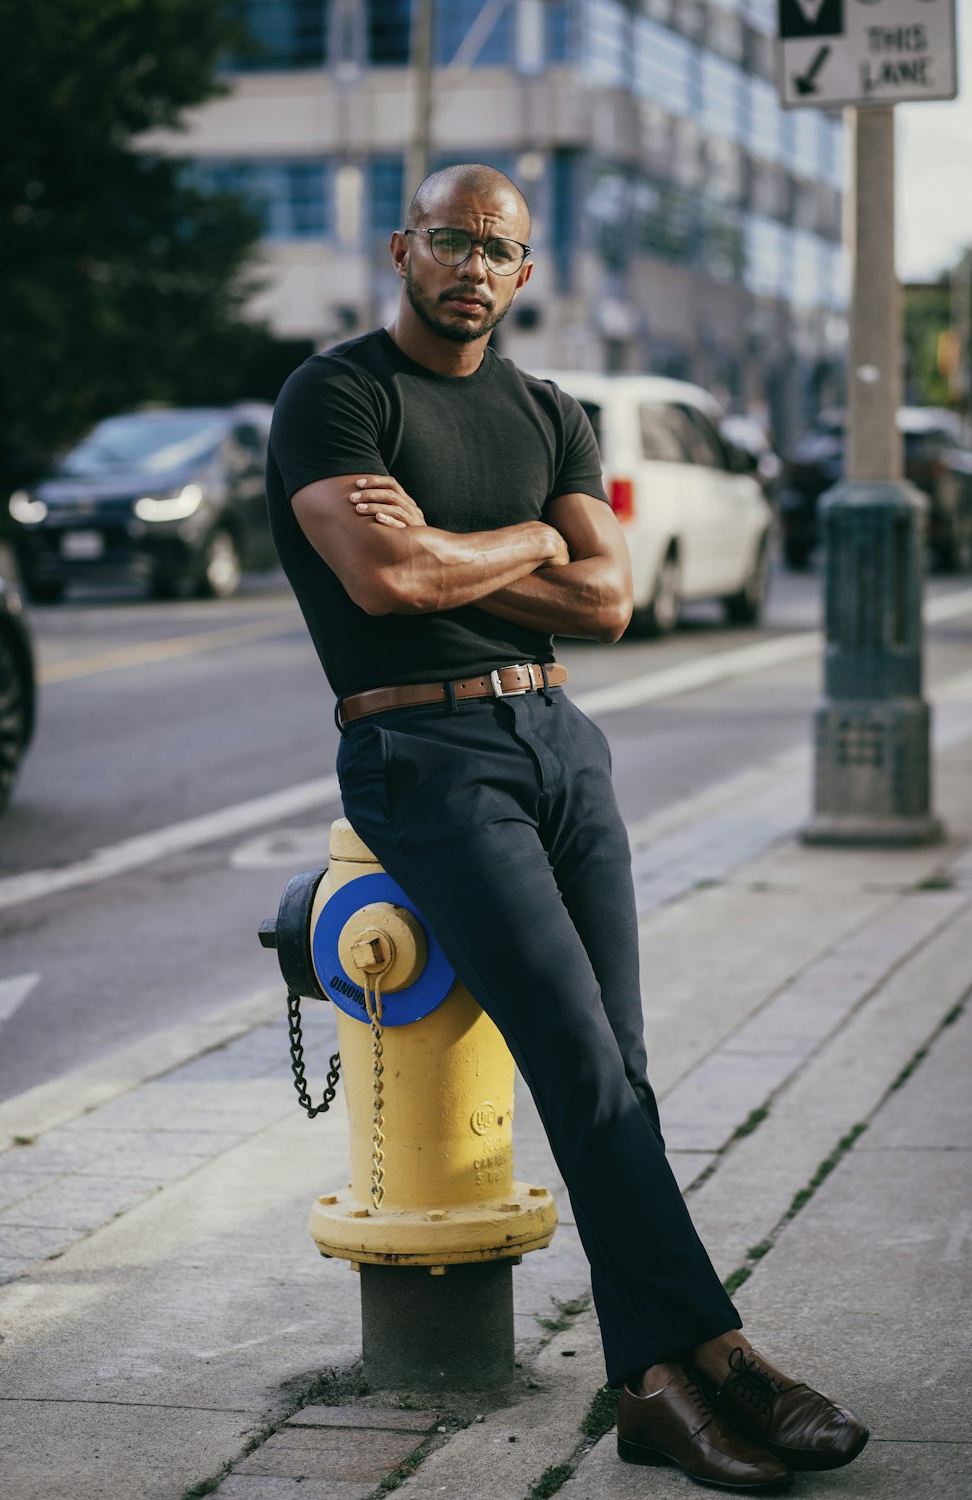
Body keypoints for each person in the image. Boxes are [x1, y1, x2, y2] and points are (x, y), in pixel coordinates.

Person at [266, 163, 868, 1492]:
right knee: (583, 1067)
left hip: (559, 743)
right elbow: (386, 575)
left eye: (499, 248)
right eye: (449, 241)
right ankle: (706, 1359)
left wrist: (476, 546)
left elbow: (609, 605)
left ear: (525, 272)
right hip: (421, 750)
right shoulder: (340, 395)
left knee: (628, 1070)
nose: (473, 265)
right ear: (402, 248)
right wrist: (531, 540)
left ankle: (662, 1379)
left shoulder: (552, 410)